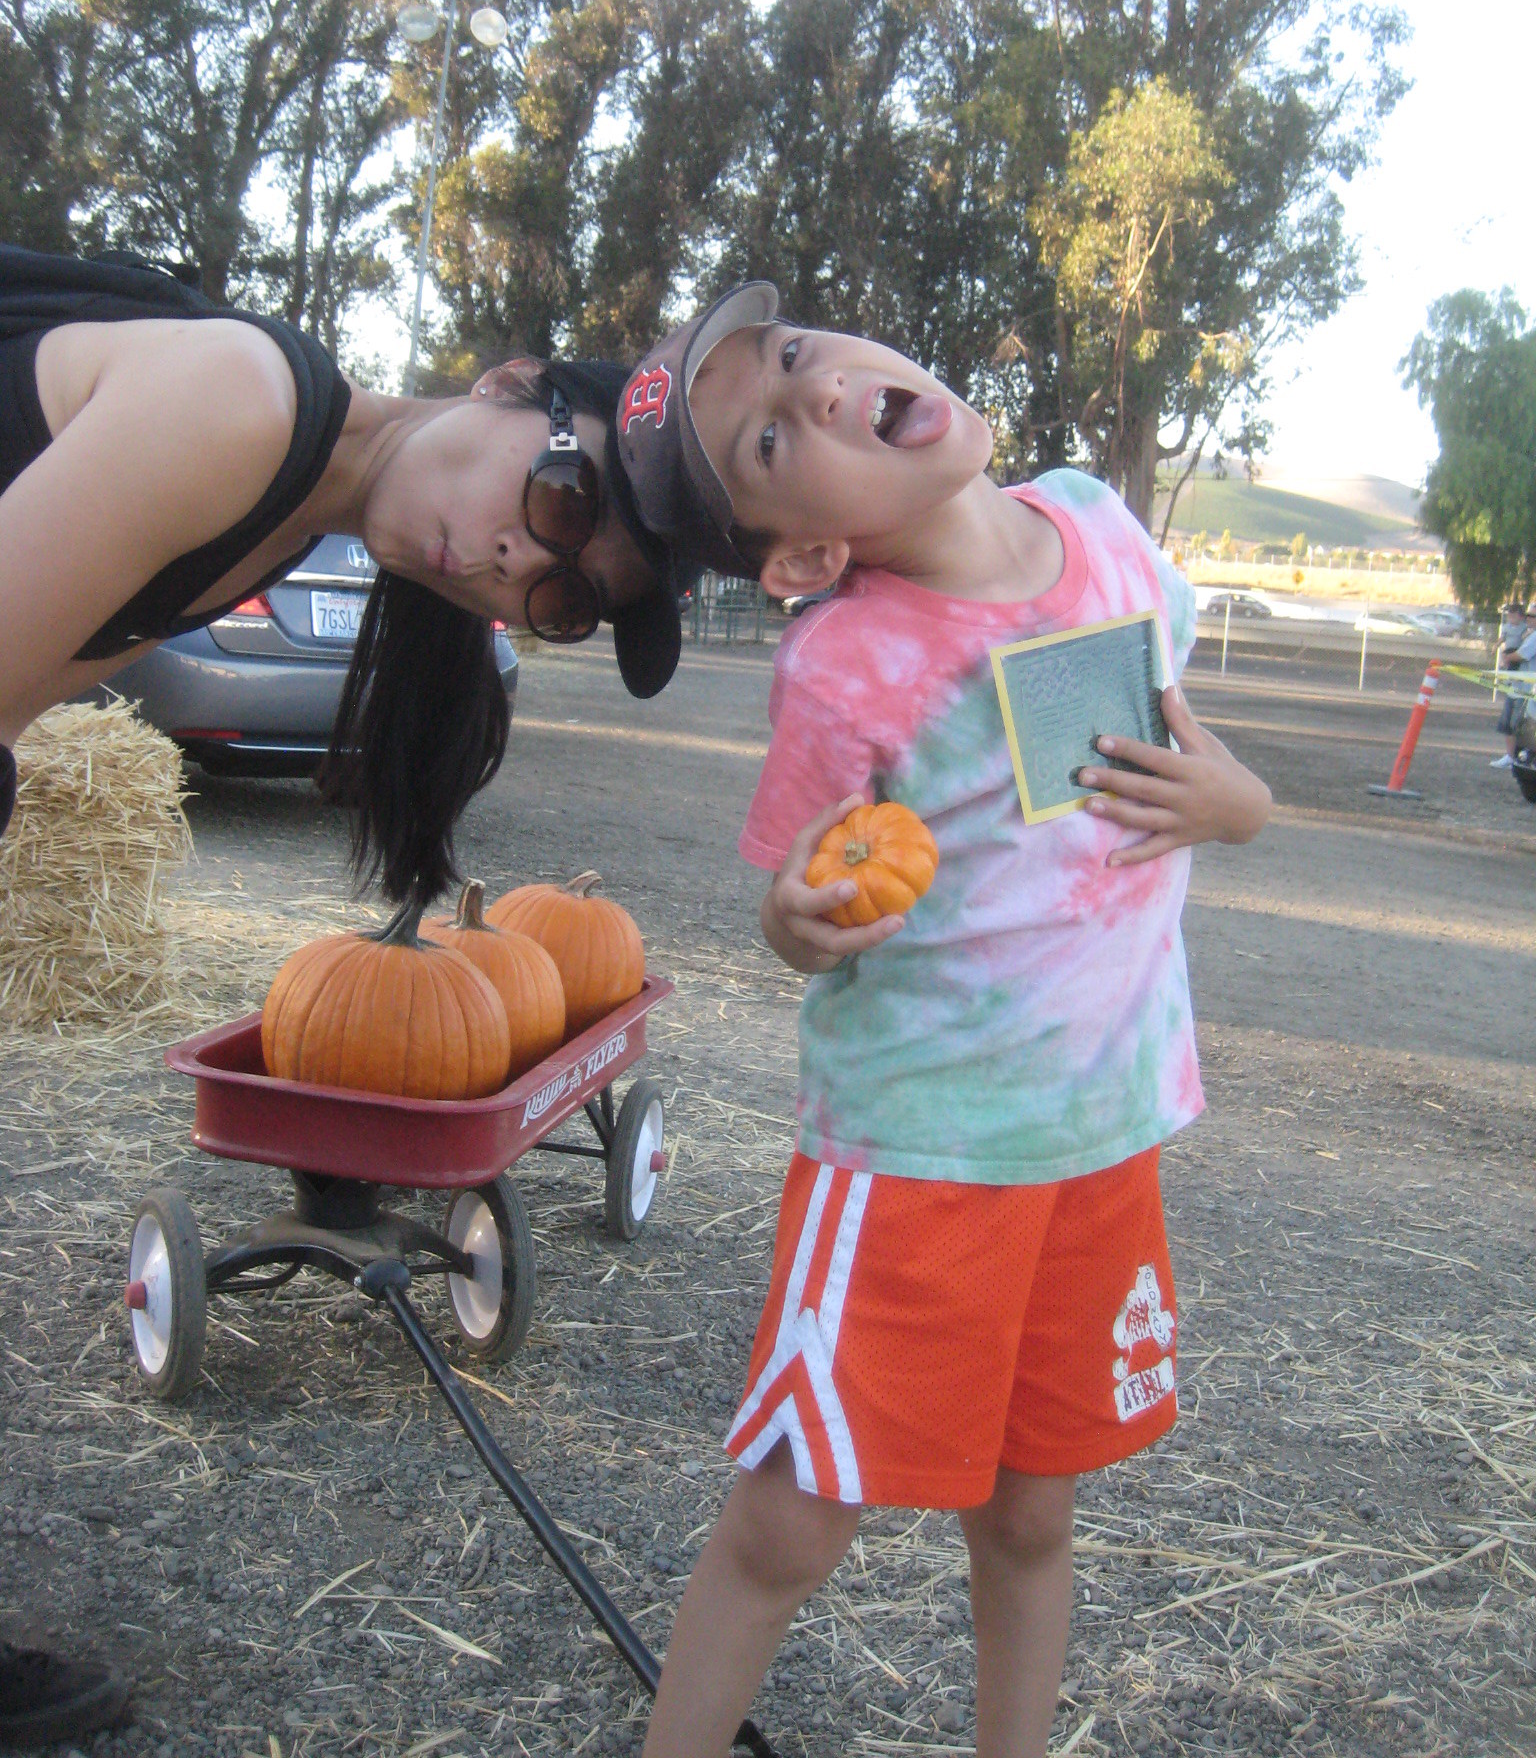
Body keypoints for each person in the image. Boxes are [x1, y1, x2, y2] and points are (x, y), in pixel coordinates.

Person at [0, 244, 748, 1747]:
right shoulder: (248, 401)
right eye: (560, 502)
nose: (515, 562)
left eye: (557, 595)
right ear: (512, 386)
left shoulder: (282, 511)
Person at [605, 282, 1273, 1758]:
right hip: (919, 1155)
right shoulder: (844, 665)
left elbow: (1179, 759)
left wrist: (1244, 806)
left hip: (1098, 1136)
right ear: (806, 556)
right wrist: (800, 922)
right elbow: (798, 899)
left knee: (1032, 1514)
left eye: (793, 355)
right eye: (771, 441)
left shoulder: (1101, 522)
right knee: (791, 1523)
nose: (814, 388)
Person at [1492, 601, 1533, 767]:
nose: (1529, 618)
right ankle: (1510, 757)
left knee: (1518, 725)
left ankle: (1518, 758)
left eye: (1532, 616)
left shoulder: (1532, 637)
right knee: (1508, 723)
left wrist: (1506, 657)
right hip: (1514, 686)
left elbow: (1520, 655)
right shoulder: (1524, 633)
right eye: (1528, 615)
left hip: (1526, 690)